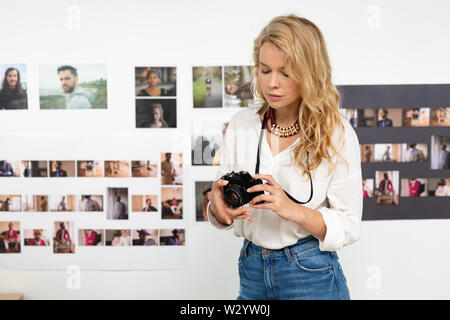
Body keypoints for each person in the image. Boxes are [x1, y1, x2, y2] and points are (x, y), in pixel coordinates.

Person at [206, 15, 361, 300]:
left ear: (310, 72)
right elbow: (223, 208)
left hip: (310, 272)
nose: (272, 83)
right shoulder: (242, 124)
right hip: (251, 269)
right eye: (265, 70)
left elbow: (349, 225)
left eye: (286, 73)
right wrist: (218, 209)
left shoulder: (336, 132)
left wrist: (292, 209)